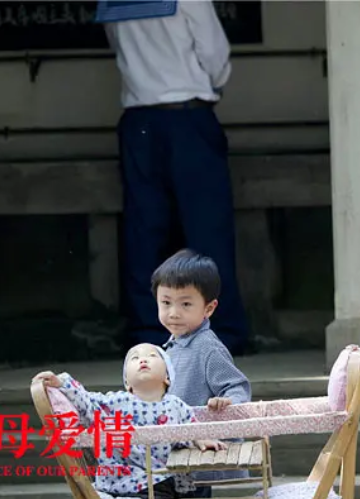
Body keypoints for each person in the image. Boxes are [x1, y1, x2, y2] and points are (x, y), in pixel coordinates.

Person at [95, 0, 249, 355]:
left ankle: (147, 335)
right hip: (188, 117)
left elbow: (117, 44)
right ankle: (219, 334)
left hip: (138, 119)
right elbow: (215, 55)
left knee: (144, 233)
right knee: (208, 231)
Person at [32, 343, 227, 499]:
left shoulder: (176, 405)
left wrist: (200, 440)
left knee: (198, 487)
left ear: (167, 376)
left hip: (162, 478)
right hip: (124, 480)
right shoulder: (115, 403)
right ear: (127, 382)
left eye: (152, 356)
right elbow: (87, 402)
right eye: (135, 358)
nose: (143, 359)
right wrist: (63, 383)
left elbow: (190, 429)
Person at [153, 249, 253, 496]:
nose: (174, 313)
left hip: (202, 455)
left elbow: (238, 386)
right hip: (179, 453)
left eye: (186, 304)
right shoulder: (172, 345)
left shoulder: (207, 346)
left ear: (208, 308)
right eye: (166, 303)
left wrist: (227, 401)